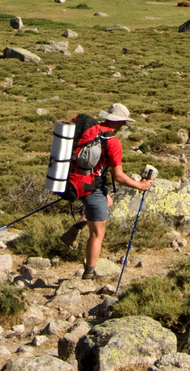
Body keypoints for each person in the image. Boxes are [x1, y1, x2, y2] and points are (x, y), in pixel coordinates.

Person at [69, 102, 153, 279]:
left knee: (109, 201)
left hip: (74, 181)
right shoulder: (113, 142)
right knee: (97, 233)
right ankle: (89, 273)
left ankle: (82, 221)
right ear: (119, 122)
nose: (123, 126)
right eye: (123, 122)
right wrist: (140, 185)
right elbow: (119, 176)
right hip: (91, 187)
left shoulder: (90, 131)